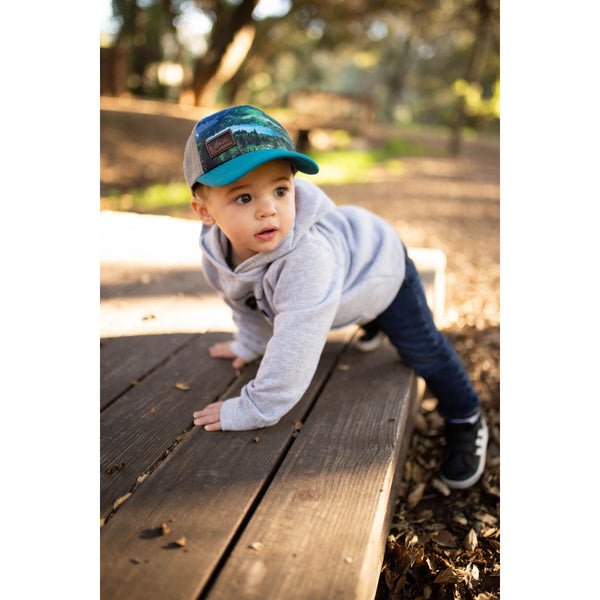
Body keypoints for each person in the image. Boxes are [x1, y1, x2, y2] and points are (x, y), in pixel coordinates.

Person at [183, 105, 487, 489]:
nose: (268, 210)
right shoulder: (216, 253)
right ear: (204, 211)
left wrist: (255, 406)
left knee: (422, 349)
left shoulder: (306, 259)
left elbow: (295, 341)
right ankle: (371, 320)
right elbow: (242, 301)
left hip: (378, 267)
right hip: (339, 281)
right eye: (243, 198)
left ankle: (467, 416)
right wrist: (250, 342)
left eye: (281, 190)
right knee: (325, 302)